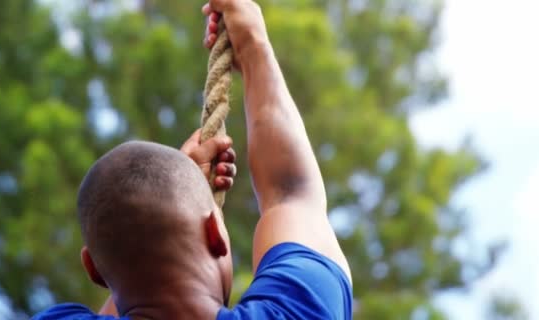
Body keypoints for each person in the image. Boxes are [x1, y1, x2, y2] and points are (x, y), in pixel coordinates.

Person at [33, 0, 353, 319]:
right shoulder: (299, 310)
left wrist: (178, 196)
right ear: (214, 231)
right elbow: (290, 194)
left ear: (93, 269)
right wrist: (255, 46)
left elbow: (131, 278)